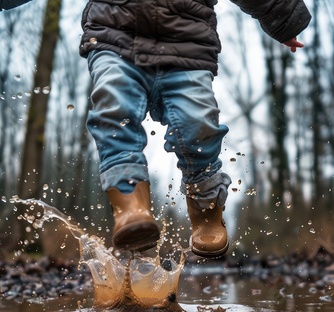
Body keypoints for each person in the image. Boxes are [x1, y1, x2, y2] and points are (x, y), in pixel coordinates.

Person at [3, 0, 312, 257]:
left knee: (199, 125)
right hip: (115, 37)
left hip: (188, 46)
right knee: (113, 110)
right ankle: (129, 204)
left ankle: (206, 210)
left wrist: (285, 20)